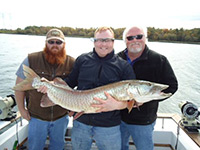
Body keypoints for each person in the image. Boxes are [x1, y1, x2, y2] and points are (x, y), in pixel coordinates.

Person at [92, 26, 178, 150]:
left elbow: (172, 87)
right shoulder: (115, 59)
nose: (135, 40)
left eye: (139, 36)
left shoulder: (159, 60)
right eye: (130, 37)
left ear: (145, 38)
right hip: (118, 119)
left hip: (143, 122)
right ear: (125, 41)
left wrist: (147, 100)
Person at [65, 26, 135, 150]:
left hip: (109, 126)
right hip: (82, 122)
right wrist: (51, 86)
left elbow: (132, 99)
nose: (103, 44)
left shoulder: (123, 66)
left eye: (107, 40)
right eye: (99, 40)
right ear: (94, 41)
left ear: (113, 42)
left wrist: (118, 105)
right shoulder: (82, 60)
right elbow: (70, 83)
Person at [14, 28, 75, 150]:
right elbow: (19, 88)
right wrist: (22, 109)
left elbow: (75, 89)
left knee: (58, 146)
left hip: (61, 117)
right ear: (46, 43)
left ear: (64, 44)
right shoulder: (31, 59)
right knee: (35, 147)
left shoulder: (72, 62)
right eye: (51, 42)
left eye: (58, 42)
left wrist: (72, 109)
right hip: (37, 117)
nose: (54, 45)